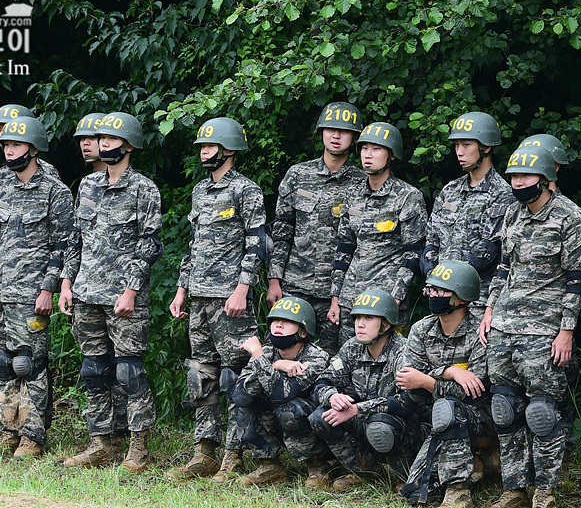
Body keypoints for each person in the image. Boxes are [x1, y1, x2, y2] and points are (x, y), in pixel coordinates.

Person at [479, 145, 581, 508]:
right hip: (505, 327)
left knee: (543, 413)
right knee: (505, 411)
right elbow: (503, 268)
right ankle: (514, 491)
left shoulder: (570, 217)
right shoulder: (512, 212)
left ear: (544, 178)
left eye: (525, 177)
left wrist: (567, 331)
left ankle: (545, 495)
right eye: (513, 177)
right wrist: (489, 311)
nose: (517, 183)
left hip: (545, 332)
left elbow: (578, 281)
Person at [0, 116, 75, 457]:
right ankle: (8, 430)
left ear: (33, 147)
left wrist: (48, 289)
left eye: (16, 144)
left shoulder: (54, 191)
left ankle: (32, 436)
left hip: (30, 294)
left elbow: (64, 245)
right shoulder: (3, 185)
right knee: (1, 362)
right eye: (6, 145)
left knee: (29, 363)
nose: (9, 151)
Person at [59, 112, 162, 472]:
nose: (103, 145)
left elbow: (149, 245)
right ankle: (102, 442)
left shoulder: (143, 189)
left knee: (129, 373)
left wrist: (132, 291)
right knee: (94, 370)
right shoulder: (87, 187)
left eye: (111, 140)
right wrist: (66, 283)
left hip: (123, 297)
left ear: (129, 145)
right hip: (87, 292)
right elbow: (76, 241)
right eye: (100, 139)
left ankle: (138, 447)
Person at [168, 117, 267, 482]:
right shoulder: (199, 191)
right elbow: (193, 247)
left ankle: (234, 456)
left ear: (228, 150)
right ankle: (204, 452)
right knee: (201, 375)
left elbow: (257, 244)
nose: (204, 152)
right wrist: (182, 289)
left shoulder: (246, 191)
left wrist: (242, 288)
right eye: (202, 147)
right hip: (199, 297)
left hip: (231, 299)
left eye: (209, 146)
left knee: (236, 378)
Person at [269, 102, 366, 354]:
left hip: (341, 292)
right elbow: (282, 230)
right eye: (330, 129)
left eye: (343, 131)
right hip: (295, 285)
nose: (336, 136)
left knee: (336, 358)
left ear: (355, 137)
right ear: (321, 131)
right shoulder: (298, 175)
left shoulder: (364, 182)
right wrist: (274, 279)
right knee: (288, 355)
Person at [399, 260, 495, 508]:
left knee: (447, 407)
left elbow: (474, 391)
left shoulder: (481, 331)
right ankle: (478, 463)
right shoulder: (422, 328)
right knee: (417, 491)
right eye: (431, 290)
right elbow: (407, 375)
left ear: (462, 295)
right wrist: (448, 371)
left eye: (442, 291)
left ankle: (458, 493)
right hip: (439, 419)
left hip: (482, 417)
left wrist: (427, 381)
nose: (433, 296)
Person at [310, 289, 421, 491]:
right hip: (366, 420)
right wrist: (333, 396)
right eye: (357, 317)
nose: (360, 324)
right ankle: (367, 471)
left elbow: (408, 402)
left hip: (404, 428)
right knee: (320, 417)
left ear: (386, 324)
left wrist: (358, 409)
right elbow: (322, 381)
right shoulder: (353, 347)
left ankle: (404, 474)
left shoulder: (403, 351)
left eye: (368, 318)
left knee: (380, 426)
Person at [328, 121, 426, 332]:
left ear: (391, 155)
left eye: (376, 148)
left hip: (385, 300)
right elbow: (344, 248)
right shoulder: (353, 194)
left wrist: (396, 298)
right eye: (364, 148)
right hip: (350, 300)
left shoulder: (407, 196)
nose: (368, 154)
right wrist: (336, 297)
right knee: (350, 358)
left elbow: (413, 254)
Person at [228, 296, 331, 486]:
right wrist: (275, 365)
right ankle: (269, 465)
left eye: (287, 321)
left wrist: (259, 357)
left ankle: (318, 466)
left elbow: (280, 394)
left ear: (303, 331)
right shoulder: (266, 352)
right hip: (273, 419)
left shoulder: (317, 357)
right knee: (248, 404)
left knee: (290, 410)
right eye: (275, 320)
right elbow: (240, 396)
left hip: (307, 423)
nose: (279, 325)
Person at [423, 112, 512, 306]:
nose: (459, 152)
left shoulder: (502, 193)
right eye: (456, 145)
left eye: (466, 145)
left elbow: (488, 249)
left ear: (486, 146)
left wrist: (447, 282)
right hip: (440, 294)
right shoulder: (450, 190)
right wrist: (434, 278)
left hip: (477, 298)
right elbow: (431, 242)